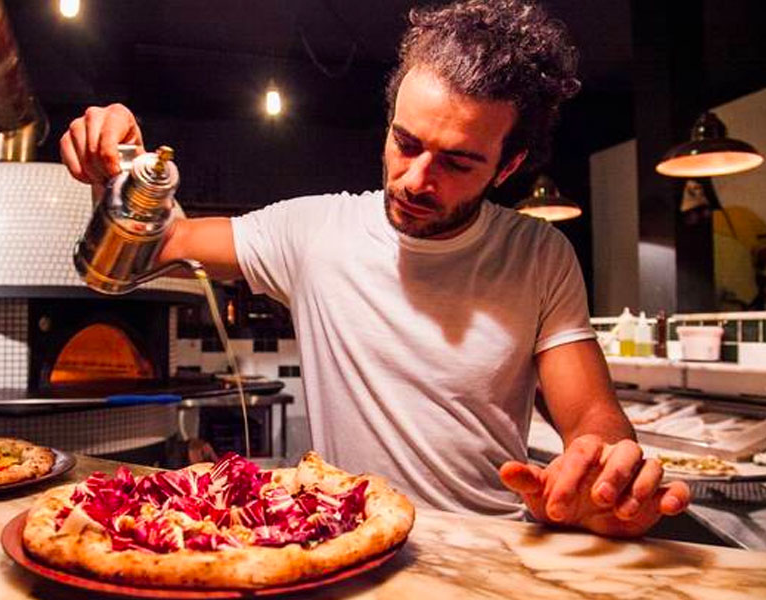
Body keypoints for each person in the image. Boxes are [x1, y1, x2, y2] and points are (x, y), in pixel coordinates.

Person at [60, 0, 690, 537]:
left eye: (458, 163)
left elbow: (589, 413)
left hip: (491, 545)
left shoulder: (538, 254)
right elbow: (163, 241)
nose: (416, 180)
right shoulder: (313, 231)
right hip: (348, 542)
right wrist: (119, 175)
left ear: (506, 165)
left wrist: (602, 465)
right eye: (406, 143)